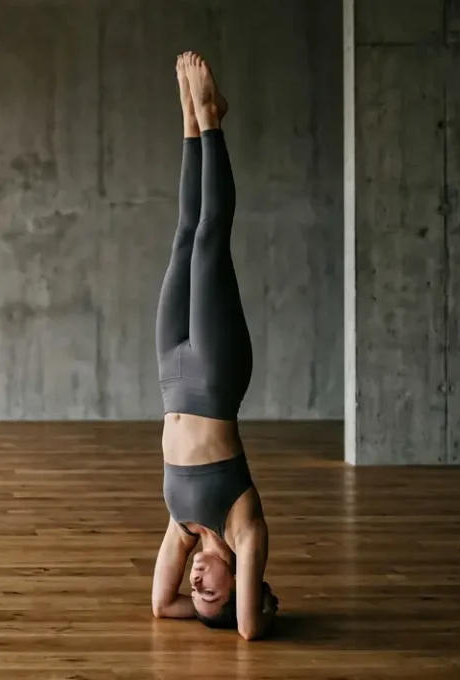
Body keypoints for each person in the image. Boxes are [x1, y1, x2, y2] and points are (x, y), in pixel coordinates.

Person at [149, 52, 278, 641]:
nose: (195, 582)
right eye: (210, 591)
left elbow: (160, 606)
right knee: (208, 241)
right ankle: (212, 119)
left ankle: (189, 121)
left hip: (173, 376)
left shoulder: (183, 529)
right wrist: (244, 613)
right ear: (242, 584)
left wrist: (197, 612)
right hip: (217, 375)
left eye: (194, 591)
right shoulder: (243, 528)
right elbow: (248, 630)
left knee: (183, 236)